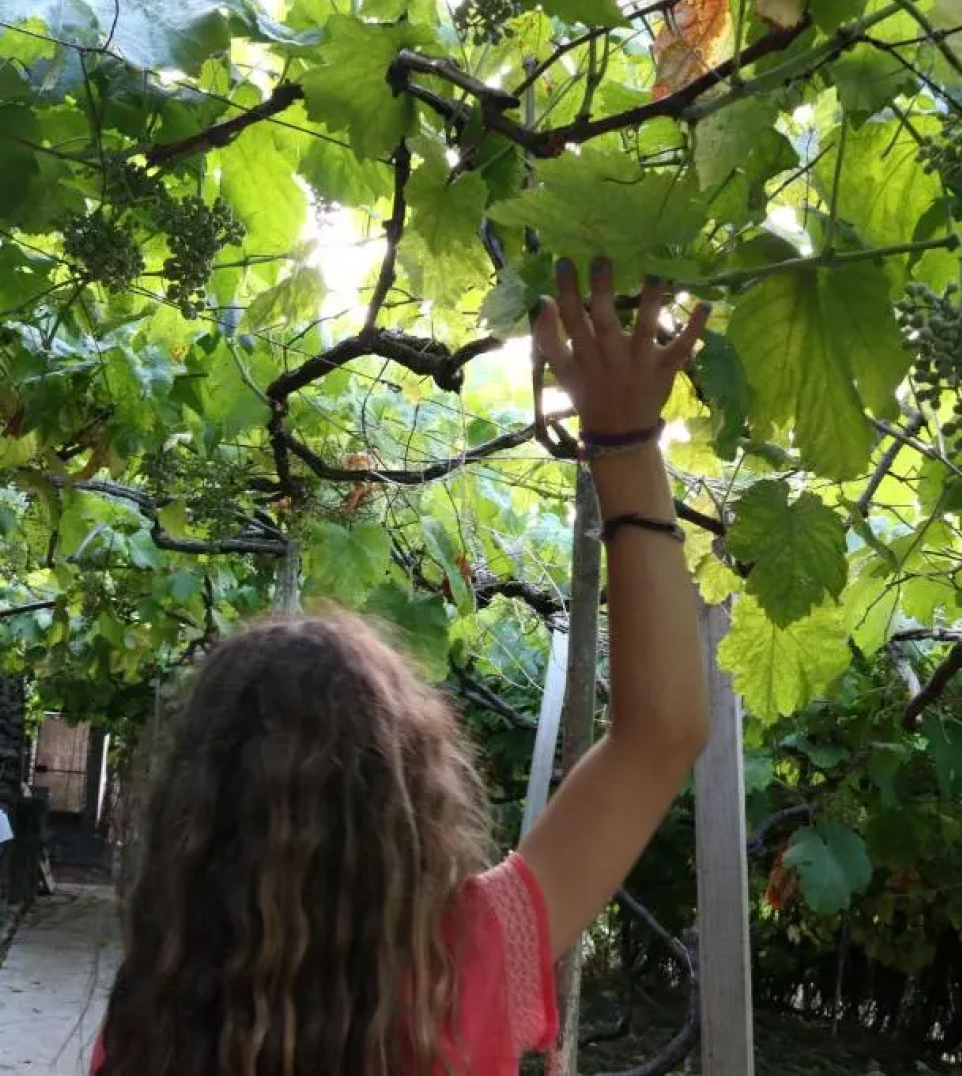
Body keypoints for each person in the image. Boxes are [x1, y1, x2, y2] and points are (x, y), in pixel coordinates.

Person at [92, 259, 711, 1076]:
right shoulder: (477, 952)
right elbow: (660, 734)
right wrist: (625, 439)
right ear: (410, 801)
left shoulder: (151, 1014)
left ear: (195, 817)